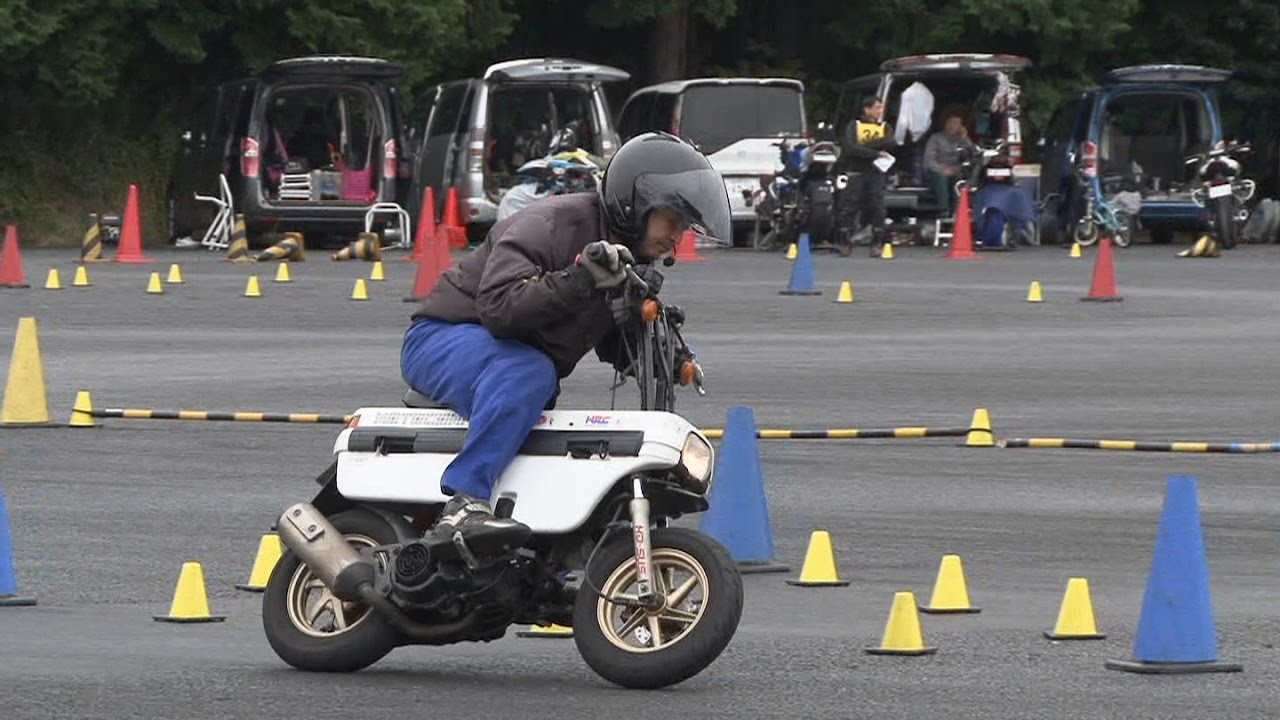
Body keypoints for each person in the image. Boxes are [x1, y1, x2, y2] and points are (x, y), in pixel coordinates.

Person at [401, 132, 729, 548]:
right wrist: (580, 280)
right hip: (442, 335)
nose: (677, 236)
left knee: (543, 396)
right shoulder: (551, 224)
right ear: (637, 203)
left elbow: (612, 336)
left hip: (507, 358)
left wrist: (669, 355)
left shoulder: (622, 255)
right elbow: (499, 308)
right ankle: (464, 503)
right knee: (532, 373)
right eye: (672, 220)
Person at [838, 95, 896, 256]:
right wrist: (875, 152)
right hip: (856, 171)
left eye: (881, 107)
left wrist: (863, 147)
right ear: (867, 109)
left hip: (876, 173)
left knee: (877, 207)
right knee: (850, 206)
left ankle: (877, 242)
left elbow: (890, 142)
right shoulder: (854, 125)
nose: (880, 111)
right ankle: (844, 241)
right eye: (877, 107)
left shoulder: (885, 126)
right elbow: (850, 148)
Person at [924, 112, 977, 215]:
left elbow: (972, 156)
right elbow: (929, 160)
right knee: (941, 178)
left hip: (957, 170)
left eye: (956, 123)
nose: (952, 126)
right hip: (938, 171)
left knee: (963, 179)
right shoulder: (935, 138)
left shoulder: (963, 139)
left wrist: (964, 139)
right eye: (950, 122)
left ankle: (960, 211)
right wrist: (942, 169)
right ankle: (944, 210)